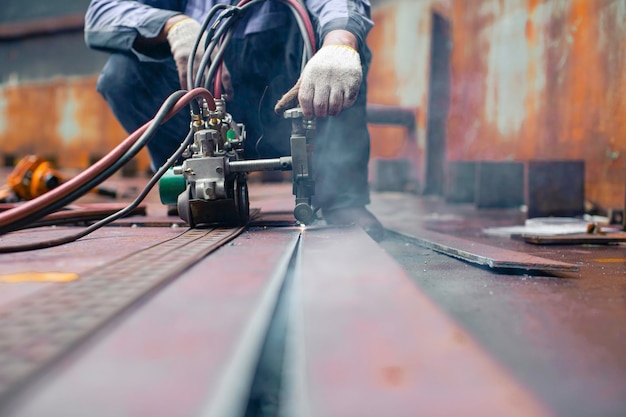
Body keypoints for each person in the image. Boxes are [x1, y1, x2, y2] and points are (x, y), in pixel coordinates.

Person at [84, 0, 384, 241]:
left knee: (341, 51)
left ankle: (342, 199)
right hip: (206, 103)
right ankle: (190, 180)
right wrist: (172, 26)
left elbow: (340, 6)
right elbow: (102, 11)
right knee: (121, 76)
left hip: (284, 100)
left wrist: (339, 42)